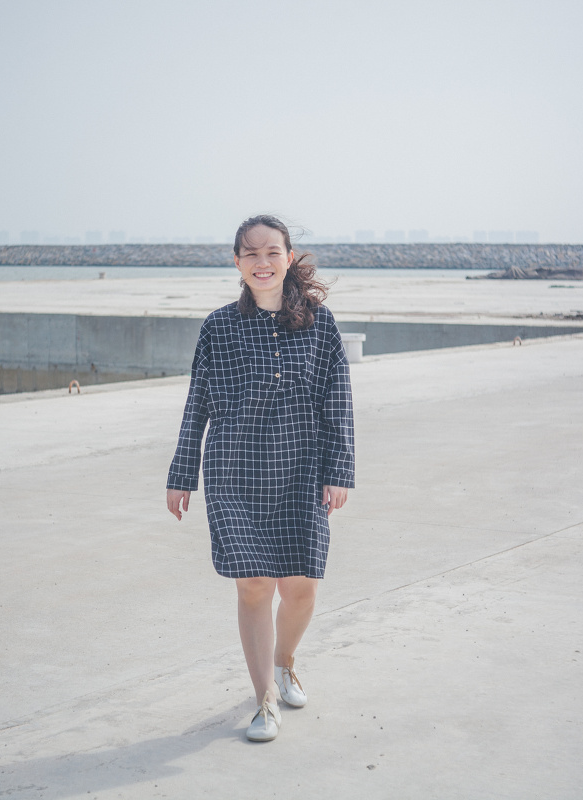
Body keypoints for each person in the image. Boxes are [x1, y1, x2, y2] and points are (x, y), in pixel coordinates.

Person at [165, 215, 355, 743]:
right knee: (253, 586)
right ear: (237, 262)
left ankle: (285, 661)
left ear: (289, 258)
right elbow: (197, 403)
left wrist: (340, 470)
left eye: (272, 252)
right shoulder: (217, 326)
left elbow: (337, 400)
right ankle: (264, 701)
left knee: (300, 588)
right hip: (234, 471)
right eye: (250, 253)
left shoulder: (321, 324)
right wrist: (181, 474)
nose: (262, 262)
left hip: (301, 468)